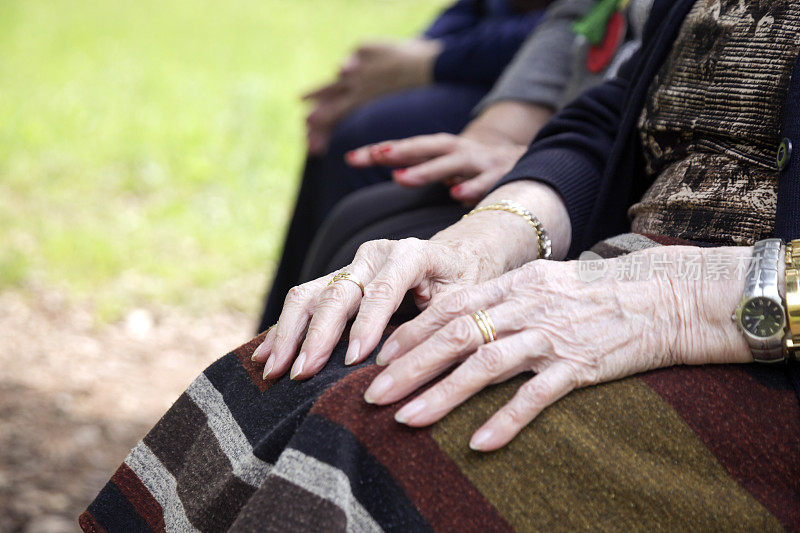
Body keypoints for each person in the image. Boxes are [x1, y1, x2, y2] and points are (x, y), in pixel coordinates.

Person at [82, 0, 800, 530]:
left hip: (755, 332)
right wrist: (490, 232)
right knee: (283, 373)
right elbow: (620, 108)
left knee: (388, 441)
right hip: (633, 268)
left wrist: (695, 299)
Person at [258, 0, 552, 332]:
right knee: (356, 199)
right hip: (507, 71)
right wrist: (410, 58)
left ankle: (308, 339)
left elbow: (576, 31)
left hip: (537, 91)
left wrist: (431, 61)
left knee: (365, 148)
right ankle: (274, 341)